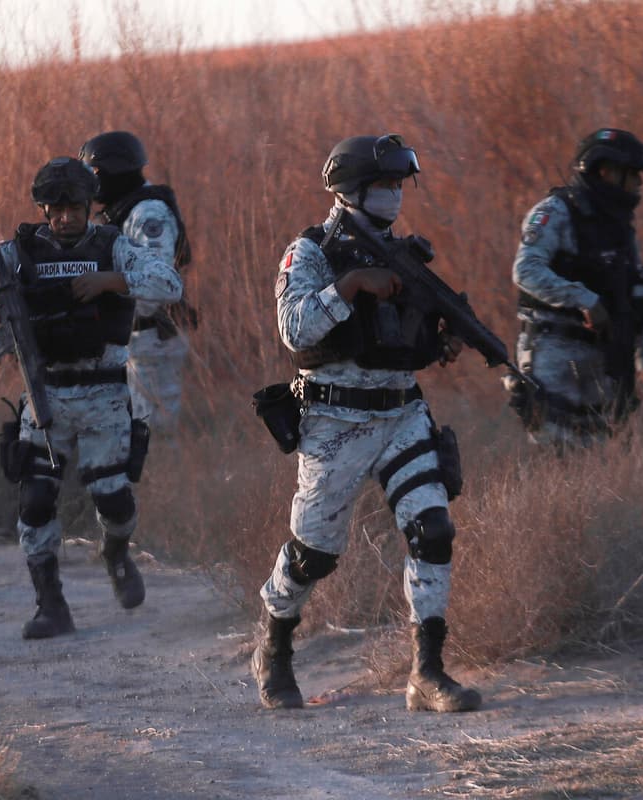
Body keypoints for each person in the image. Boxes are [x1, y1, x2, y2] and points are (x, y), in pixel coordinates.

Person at [251, 134, 481, 713]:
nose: (393, 196)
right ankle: (274, 642)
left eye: (399, 185)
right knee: (315, 554)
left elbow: (412, 340)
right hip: (335, 420)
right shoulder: (311, 252)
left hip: (403, 412)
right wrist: (349, 287)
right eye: (383, 186)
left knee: (433, 529)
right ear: (352, 191)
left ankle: (426, 671)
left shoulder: (409, 256)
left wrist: (443, 341)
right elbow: (294, 329)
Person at [0, 157, 183, 638]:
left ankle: (115, 552)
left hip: (104, 392)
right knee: (35, 500)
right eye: (56, 209)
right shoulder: (20, 251)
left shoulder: (114, 246)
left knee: (112, 497)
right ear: (44, 210)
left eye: (74, 207)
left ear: (90, 206)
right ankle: (50, 604)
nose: (66, 217)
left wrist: (111, 280)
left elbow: (168, 282)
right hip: (44, 391)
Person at [506, 128, 643, 448]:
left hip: (604, 360)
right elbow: (526, 270)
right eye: (633, 174)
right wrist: (583, 298)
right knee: (554, 453)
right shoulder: (554, 212)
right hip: (552, 351)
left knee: (605, 459)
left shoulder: (619, 227)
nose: (639, 184)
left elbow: (629, 298)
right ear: (606, 171)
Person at [79, 131, 194, 432]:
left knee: (152, 430)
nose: (92, 183)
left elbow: (158, 285)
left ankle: (166, 479)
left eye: (95, 173)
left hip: (151, 337)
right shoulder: (123, 210)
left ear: (114, 171)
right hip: (134, 338)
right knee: (130, 429)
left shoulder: (147, 213)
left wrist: (107, 284)